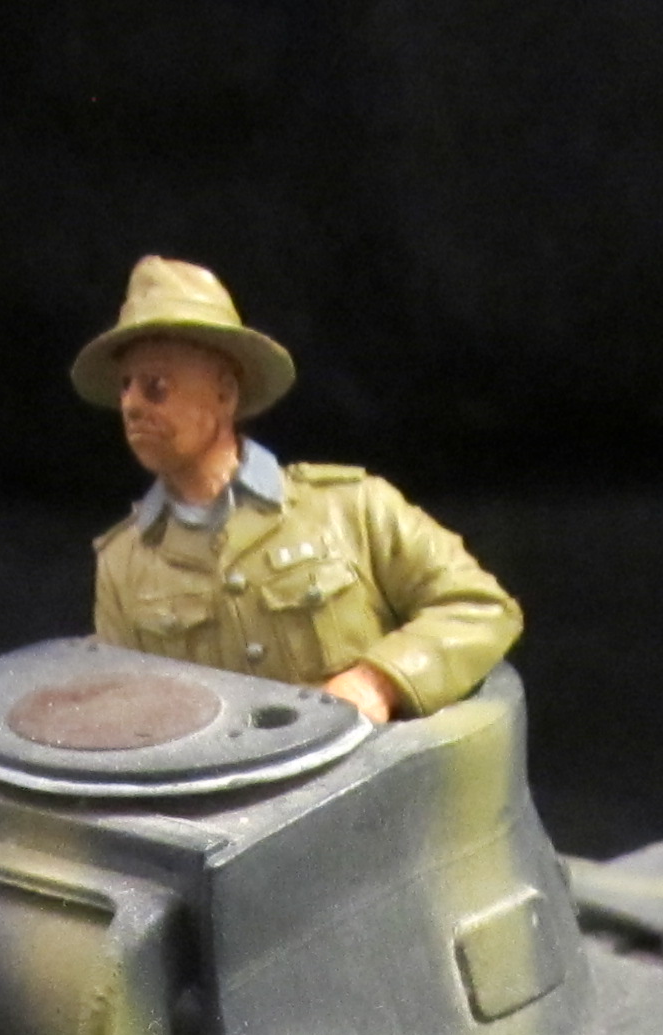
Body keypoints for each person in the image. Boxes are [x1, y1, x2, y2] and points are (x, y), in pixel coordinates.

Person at [73, 257, 518, 725]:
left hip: (362, 767)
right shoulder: (123, 564)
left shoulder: (351, 508)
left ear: (224, 394)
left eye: (156, 386)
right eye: (125, 387)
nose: (131, 406)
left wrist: (377, 681)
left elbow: (479, 606)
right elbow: (125, 716)